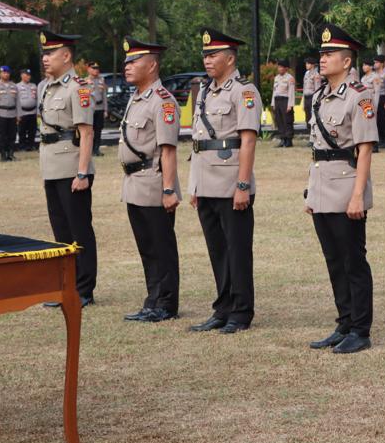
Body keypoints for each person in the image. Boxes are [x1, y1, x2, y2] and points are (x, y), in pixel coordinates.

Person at [305, 24, 378, 354]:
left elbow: (364, 149)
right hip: (323, 188)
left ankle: (360, 329)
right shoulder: (320, 95)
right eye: (321, 53)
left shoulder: (359, 96)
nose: (323, 58)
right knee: (333, 260)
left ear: (347, 61)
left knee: (353, 260)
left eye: (329, 53)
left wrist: (358, 195)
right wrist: (310, 192)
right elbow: (317, 149)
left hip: (347, 188)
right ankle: (344, 322)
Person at [188, 28, 262, 334]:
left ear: (230, 59)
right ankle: (223, 307)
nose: (207, 60)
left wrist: (242, 186)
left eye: (213, 55)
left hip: (231, 182)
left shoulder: (244, 92)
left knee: (237, 249)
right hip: (206, 182)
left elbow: (247, 141)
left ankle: (241, 311)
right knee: (217, 249)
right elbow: (198, 141)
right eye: (205, 55)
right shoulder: (205, 91)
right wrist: (193, 185)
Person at [119, 38, 182, 324]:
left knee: (161, 246)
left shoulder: (163, 101)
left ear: (152, 65)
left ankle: (166, 303)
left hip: (155, 183)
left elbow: (168, 150)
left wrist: (168, 189)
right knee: (146, 246)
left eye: (134, 61)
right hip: (134, 182)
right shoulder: (136, 97)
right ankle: (152, 300)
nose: (127, 66)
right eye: (127, 62)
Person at [38, 31, 98, 308]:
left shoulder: (79, 88)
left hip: (72, 165)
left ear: (66, 56)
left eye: (51, 53)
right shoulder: (45, 86)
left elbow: (86, 133)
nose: (45, 58)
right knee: (60, 230)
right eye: (44, 53)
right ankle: (66, 286)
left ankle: (84, 288)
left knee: (79, 229)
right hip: (51, 164)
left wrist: (83, 173)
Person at [0, 65, 19, 161]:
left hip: (12, 114)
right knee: (3, 135)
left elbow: (18, 102)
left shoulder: (14, 86)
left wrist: (18, 115)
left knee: (12, 135)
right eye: (4, 72)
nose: (6, 74)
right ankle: (3, 155)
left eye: (7, 73)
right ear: (0, 73)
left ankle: (11, 154)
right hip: (2, 113)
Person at [272, 59, 296, 148]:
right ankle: (282, 139)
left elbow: (291, 92)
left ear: (286, 68)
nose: (279, 69)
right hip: (277, 100)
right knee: (279, 120)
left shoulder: (289, 78)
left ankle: (289, 140)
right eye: (278, 67)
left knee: (287, 120)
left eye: (281, 67)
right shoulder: (276, 78)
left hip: (285, 100)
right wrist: (273, 103)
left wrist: (290, 104)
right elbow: (274, 91)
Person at [87, 62, 108, 157]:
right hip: (90, 109)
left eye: (97, 68)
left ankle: (96, 149)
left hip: (99, 108)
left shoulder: (101, 80)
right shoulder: (85, 81)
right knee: (89, 130)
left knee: (98, 130)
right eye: (93, 68)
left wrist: (105, 110)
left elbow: (104, 96)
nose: (96, 70)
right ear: (89, 69)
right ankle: (89, 149)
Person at [17, 69, 39, 151]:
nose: (29, 76)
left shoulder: (33, 85)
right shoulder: (17, 86)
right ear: (22, 75)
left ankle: (31, 145)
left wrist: (38, 111)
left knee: (32, 130)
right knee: (22, 130)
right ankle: (22, 146)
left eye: (29, 75)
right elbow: (16, 101)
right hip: (22, 112)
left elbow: (37, 99)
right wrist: (18, 114)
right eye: (27, 75)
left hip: (32, 111)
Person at [302, 56, 321, 136]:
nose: (306, 65)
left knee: (313, 117)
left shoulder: (316, 75)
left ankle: (314, 136)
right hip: (306, 98)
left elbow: (317, 89)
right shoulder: (306, 74)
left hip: (313, 98)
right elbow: (304, 88)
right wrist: (303, 102)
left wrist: (316, 101)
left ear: (312, 65)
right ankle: (309, 135)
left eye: (308, 63)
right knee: (307, 117)